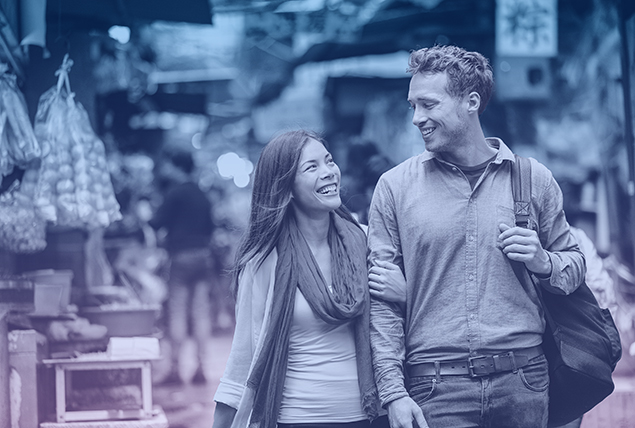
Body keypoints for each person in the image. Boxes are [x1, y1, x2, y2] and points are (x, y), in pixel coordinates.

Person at [367, 45, 586, 428]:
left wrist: (543, 261)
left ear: (471, 102)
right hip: (434, 387)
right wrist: (393, 392)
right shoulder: (394, 188)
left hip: (523, 380)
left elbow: (574, 267)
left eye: (429, 104)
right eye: (412, 106)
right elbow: (382, 304)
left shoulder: (533, 179)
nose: (417, 118)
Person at [213, 130, 397, 428]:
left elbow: (400, 323)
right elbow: (243, 358)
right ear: (286, 188)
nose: (329, 173)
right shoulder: (265, 261)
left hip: (371, 416)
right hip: (298, 418)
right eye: (312, 167)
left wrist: (404, 294)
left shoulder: (366, 242)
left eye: (329, 161)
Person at [149, 150, 215, 384]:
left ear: (177, 167)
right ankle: (200, 368)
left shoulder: (175, 194)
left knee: (177, 312)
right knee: (200, 313)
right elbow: (210, 228)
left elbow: (156, 222)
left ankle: (176, 369)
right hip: (203, 257)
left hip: (180, 257)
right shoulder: (202, 194)